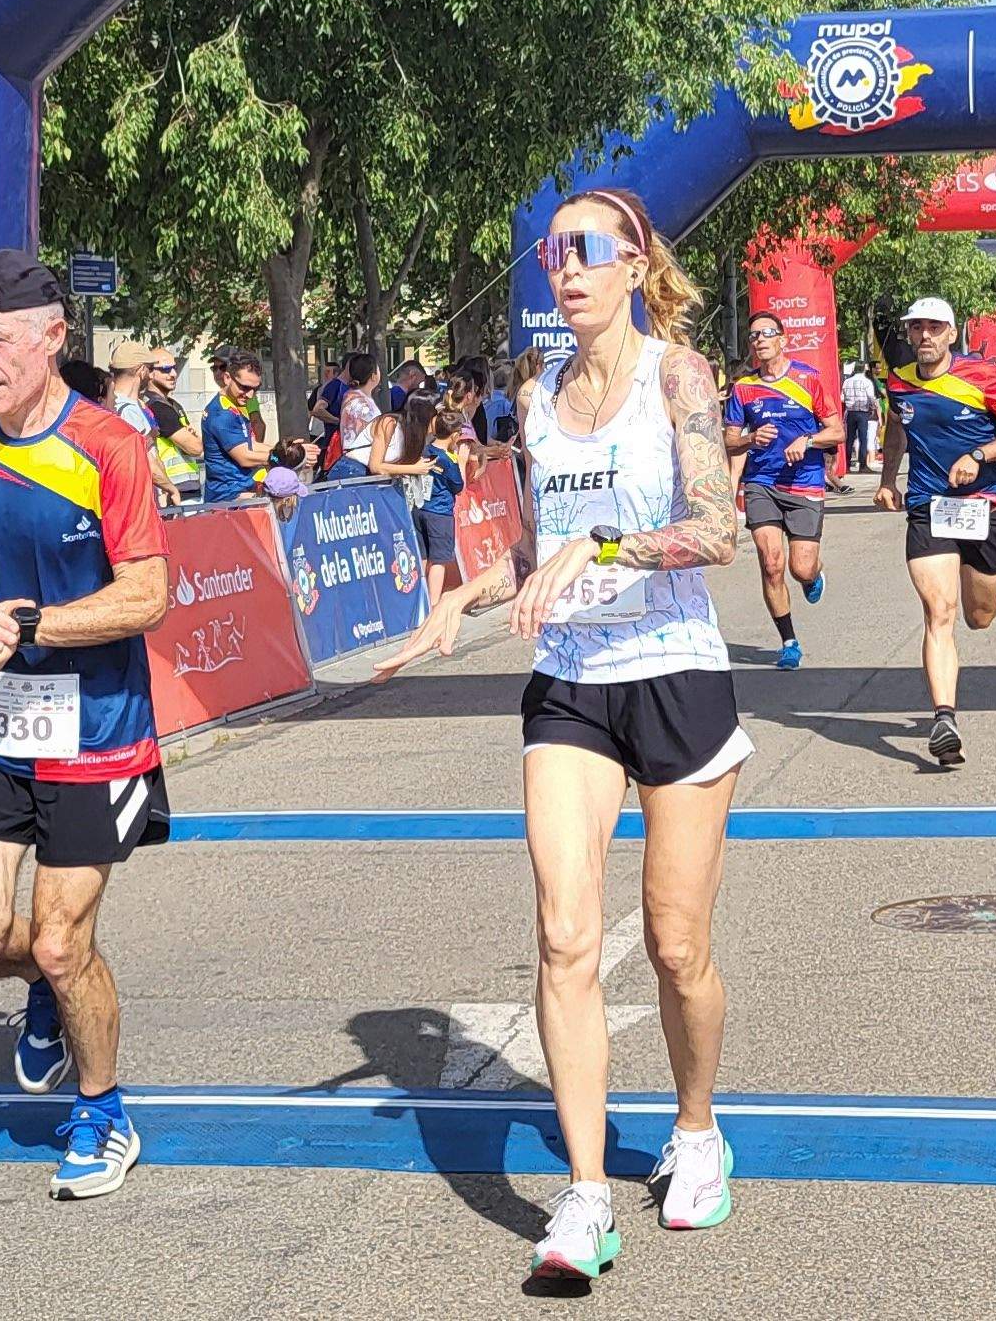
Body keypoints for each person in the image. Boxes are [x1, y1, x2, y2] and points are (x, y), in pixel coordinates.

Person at [379, 188, 747, 1283]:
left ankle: (694, 1131)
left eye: (589, 250)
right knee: (563, 935)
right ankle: (584, 1196)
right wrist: (464, 598)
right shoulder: (536, 399)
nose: (567, 268)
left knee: (676, 947)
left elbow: (717, 529)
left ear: (636, 263)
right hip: (573, 685)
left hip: (676, 675)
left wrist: (602, 548)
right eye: (553, 253)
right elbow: (539, 549)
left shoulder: (675, 374)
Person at [0, 250, 177, 1199]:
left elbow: (149, 592)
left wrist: (24, 623)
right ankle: (47, 993)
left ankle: (103, 1113)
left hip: (95, 730)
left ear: (53, 337)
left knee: (65, 941)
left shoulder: (110, 445)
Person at [878, 297, 996, 768]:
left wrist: (980, 456)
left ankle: (979, 600)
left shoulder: (982, 375)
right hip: (929, 506)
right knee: (938, 611)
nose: (925, 336)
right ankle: (945, 719)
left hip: (983, 505)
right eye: (917, 328)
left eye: (934, 328)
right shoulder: (899, 382)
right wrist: (887, 480)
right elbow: (897, 431)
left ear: (951, 333)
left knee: (979, 615)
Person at [724, 313, 844, 670]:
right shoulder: (743, 388)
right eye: (754, 335)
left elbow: (836, 431)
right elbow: (730, 441)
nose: (759, 340)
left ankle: (813, 574)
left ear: (783, 339)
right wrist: (748, 438)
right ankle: (788, 641)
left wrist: (807, 440)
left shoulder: (808, 379)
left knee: (800, 567)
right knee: (771, 563)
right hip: (762, 482)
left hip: (804, 481)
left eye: (767, 334)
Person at [365, 389, 468, 613]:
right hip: (357, 477)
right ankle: (429, 604)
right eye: (437, 412)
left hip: (407, 498)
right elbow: (376, 466)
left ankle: (418, 601)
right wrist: (414, 469)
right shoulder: (389, 422)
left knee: (420, 554)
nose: (439, 418)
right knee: (434, 557)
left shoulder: (423, 437)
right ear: (425, 413)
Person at [197, 349, 271, 504]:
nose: (250, 395)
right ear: (227, 378)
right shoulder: (221, 414)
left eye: (255, 389)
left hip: (242, 491)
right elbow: (244, 457)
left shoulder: (237, 403)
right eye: (244, 387)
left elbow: (252, 445)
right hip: (228, 499)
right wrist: (283, 458)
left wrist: (287, 449)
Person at [321, 351, 382, 482]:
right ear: (373, 376)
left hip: (352, 462)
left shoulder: (352, 396)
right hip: (358, 466)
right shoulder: (362, 404)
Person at [841, 360, 879, 487]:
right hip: (863, 413)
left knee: (849, 439)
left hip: (850, 412)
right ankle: (862, 465)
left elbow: (842, 397)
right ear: (864, 369)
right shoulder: (867, 382)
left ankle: (846, 465)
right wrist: (873, 408)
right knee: (863, 438)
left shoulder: (847, 381)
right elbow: (871, 397)